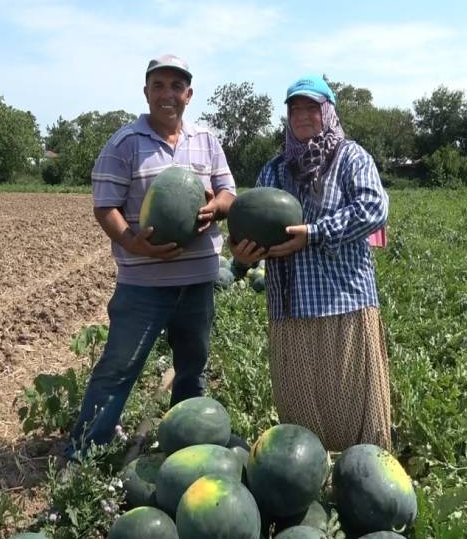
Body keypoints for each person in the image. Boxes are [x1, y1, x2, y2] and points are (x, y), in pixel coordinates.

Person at [64, 54, 237, 460]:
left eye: (176, 87)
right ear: (146, 92)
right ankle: (85, 453)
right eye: (158, 85)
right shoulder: (124, 143)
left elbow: (229, 192)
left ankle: (185, 445)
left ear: (188, 95)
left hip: (197, 282)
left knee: (193, 366)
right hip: (144, 284)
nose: (167, 94)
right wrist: (132, 242)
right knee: (118, 368)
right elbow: (104, 205)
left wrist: (218, 207)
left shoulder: (207, 141)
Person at [231, 74, 392, 451]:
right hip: (289, 306)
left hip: (344, 302)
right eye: (294, 108)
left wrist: (314, 233)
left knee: (352, 402)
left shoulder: (351, 157)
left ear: (327, 111)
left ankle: (361, 474)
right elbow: (253, 221)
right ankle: (309, 477)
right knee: (301, 406)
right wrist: (243, 254)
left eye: (311, 107)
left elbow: (374, 209)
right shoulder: (273, 170)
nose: (302, 115)